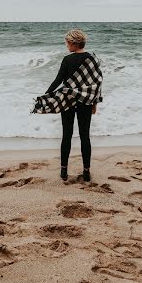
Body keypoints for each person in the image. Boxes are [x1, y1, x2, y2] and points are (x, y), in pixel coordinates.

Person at [45, 29, 100, 182]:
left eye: (67, 43)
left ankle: (63, 171)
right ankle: (86, 172)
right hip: (86, 102)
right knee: (85, 136)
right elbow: (97, 83)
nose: (66, 46)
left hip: (68, 101)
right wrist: (95, 102)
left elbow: (58, 81)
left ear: (73, 43)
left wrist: (46, 95)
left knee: (67, 135)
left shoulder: (67, 60)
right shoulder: (92, 59)